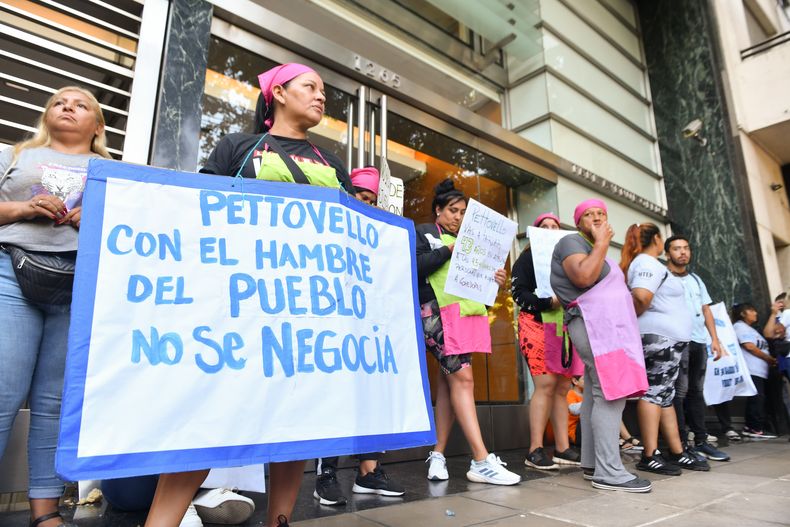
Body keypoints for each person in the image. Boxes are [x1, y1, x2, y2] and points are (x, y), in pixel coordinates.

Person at [145, 63, 353, 527]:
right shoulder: (237, 147)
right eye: (311, 87)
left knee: (296, 421)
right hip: (239, 307)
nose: (322, 97)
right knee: (211, 413)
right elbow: (198, 208)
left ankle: (279, 520)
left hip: (308, 312)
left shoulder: (332, 164)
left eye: (324, 91)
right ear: (278, 93)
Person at [0, 87, 110, 527]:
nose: (68, 106)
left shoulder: (111, 170)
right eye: (59, 102)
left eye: (81, 104)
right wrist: (24, 207)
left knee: (54, 400)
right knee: (3, 392)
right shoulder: (14, 155)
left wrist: (101, 214)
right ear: (47, 116)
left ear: (98, 126)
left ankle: (45, 512)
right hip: (10, 270)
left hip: (81, 282)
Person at [418, 179, 520, 486]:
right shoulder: (423, 231)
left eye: (463, 212)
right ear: (438, 210)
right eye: (452, 210)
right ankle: (480, 459)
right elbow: (415, 266)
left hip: (463, 317)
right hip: (436, 315)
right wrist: (450, 249)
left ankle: (438, 455)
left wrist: (495, 281)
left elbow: (478, 291)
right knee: (463, 379)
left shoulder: (472, 244)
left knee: (451, 384)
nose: (458, 217)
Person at [312, 166, 404, 505]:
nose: (366, 205)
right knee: (336, 393)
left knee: (373, 394)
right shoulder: (330, 226)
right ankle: (326, 472)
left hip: (372, 328)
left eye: (372, 200)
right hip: (337, 324)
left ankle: (368, 472)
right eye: (361, 198)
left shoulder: (381, 237)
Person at [549, 199, 651, 493]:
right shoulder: (571, 241)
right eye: (588, 214)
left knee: (596, 392)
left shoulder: (598, 250)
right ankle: (609, 471)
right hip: (595, 327)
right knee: (611, 391)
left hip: (607, 331)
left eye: (601, 214)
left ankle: (593, 463)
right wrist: (603, 242)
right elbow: (583, 276)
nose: (595, 217)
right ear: (578, 222)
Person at [621, 223, 708, 475]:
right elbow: (641, 297)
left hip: (668, 339)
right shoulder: (647, 263)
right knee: (653, 393)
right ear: (657, 240)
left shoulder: (647, 263)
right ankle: (649, 455)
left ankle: (677, 451)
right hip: (660, 339)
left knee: (665, 395)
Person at [511, 212, 580, 469]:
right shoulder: (527, 257)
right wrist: (546, 302)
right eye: (545, 226)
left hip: (564, 327)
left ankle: (563, 448)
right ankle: (535, 450)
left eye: (555, 227)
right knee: (546, 385)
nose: (550, 230)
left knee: (563, 387)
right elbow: (518, 292)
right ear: (535, 232)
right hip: (536, 323)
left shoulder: (570, 260)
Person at [664, 235, 730, 462]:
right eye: (676, 249)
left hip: (699, 342)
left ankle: (701, 441)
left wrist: (715, 339)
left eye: (685, 248)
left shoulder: (696, 279)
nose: (682, 252)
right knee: (678, 393)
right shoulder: (663, 277)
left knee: (696, 392)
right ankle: (682, 444)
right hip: (676, 341)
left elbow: (706, 310)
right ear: (667, 254)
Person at [732, 303, 779, 438]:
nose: (755, 313)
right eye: (752, 311)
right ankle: (754, 427)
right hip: (751, 369)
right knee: (757, 398)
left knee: (757, 398)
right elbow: (749, 346)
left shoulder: (750, 329)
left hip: (760, 371)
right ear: (743, 313)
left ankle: (752, 426)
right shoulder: (740, 327)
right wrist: (768, 358)